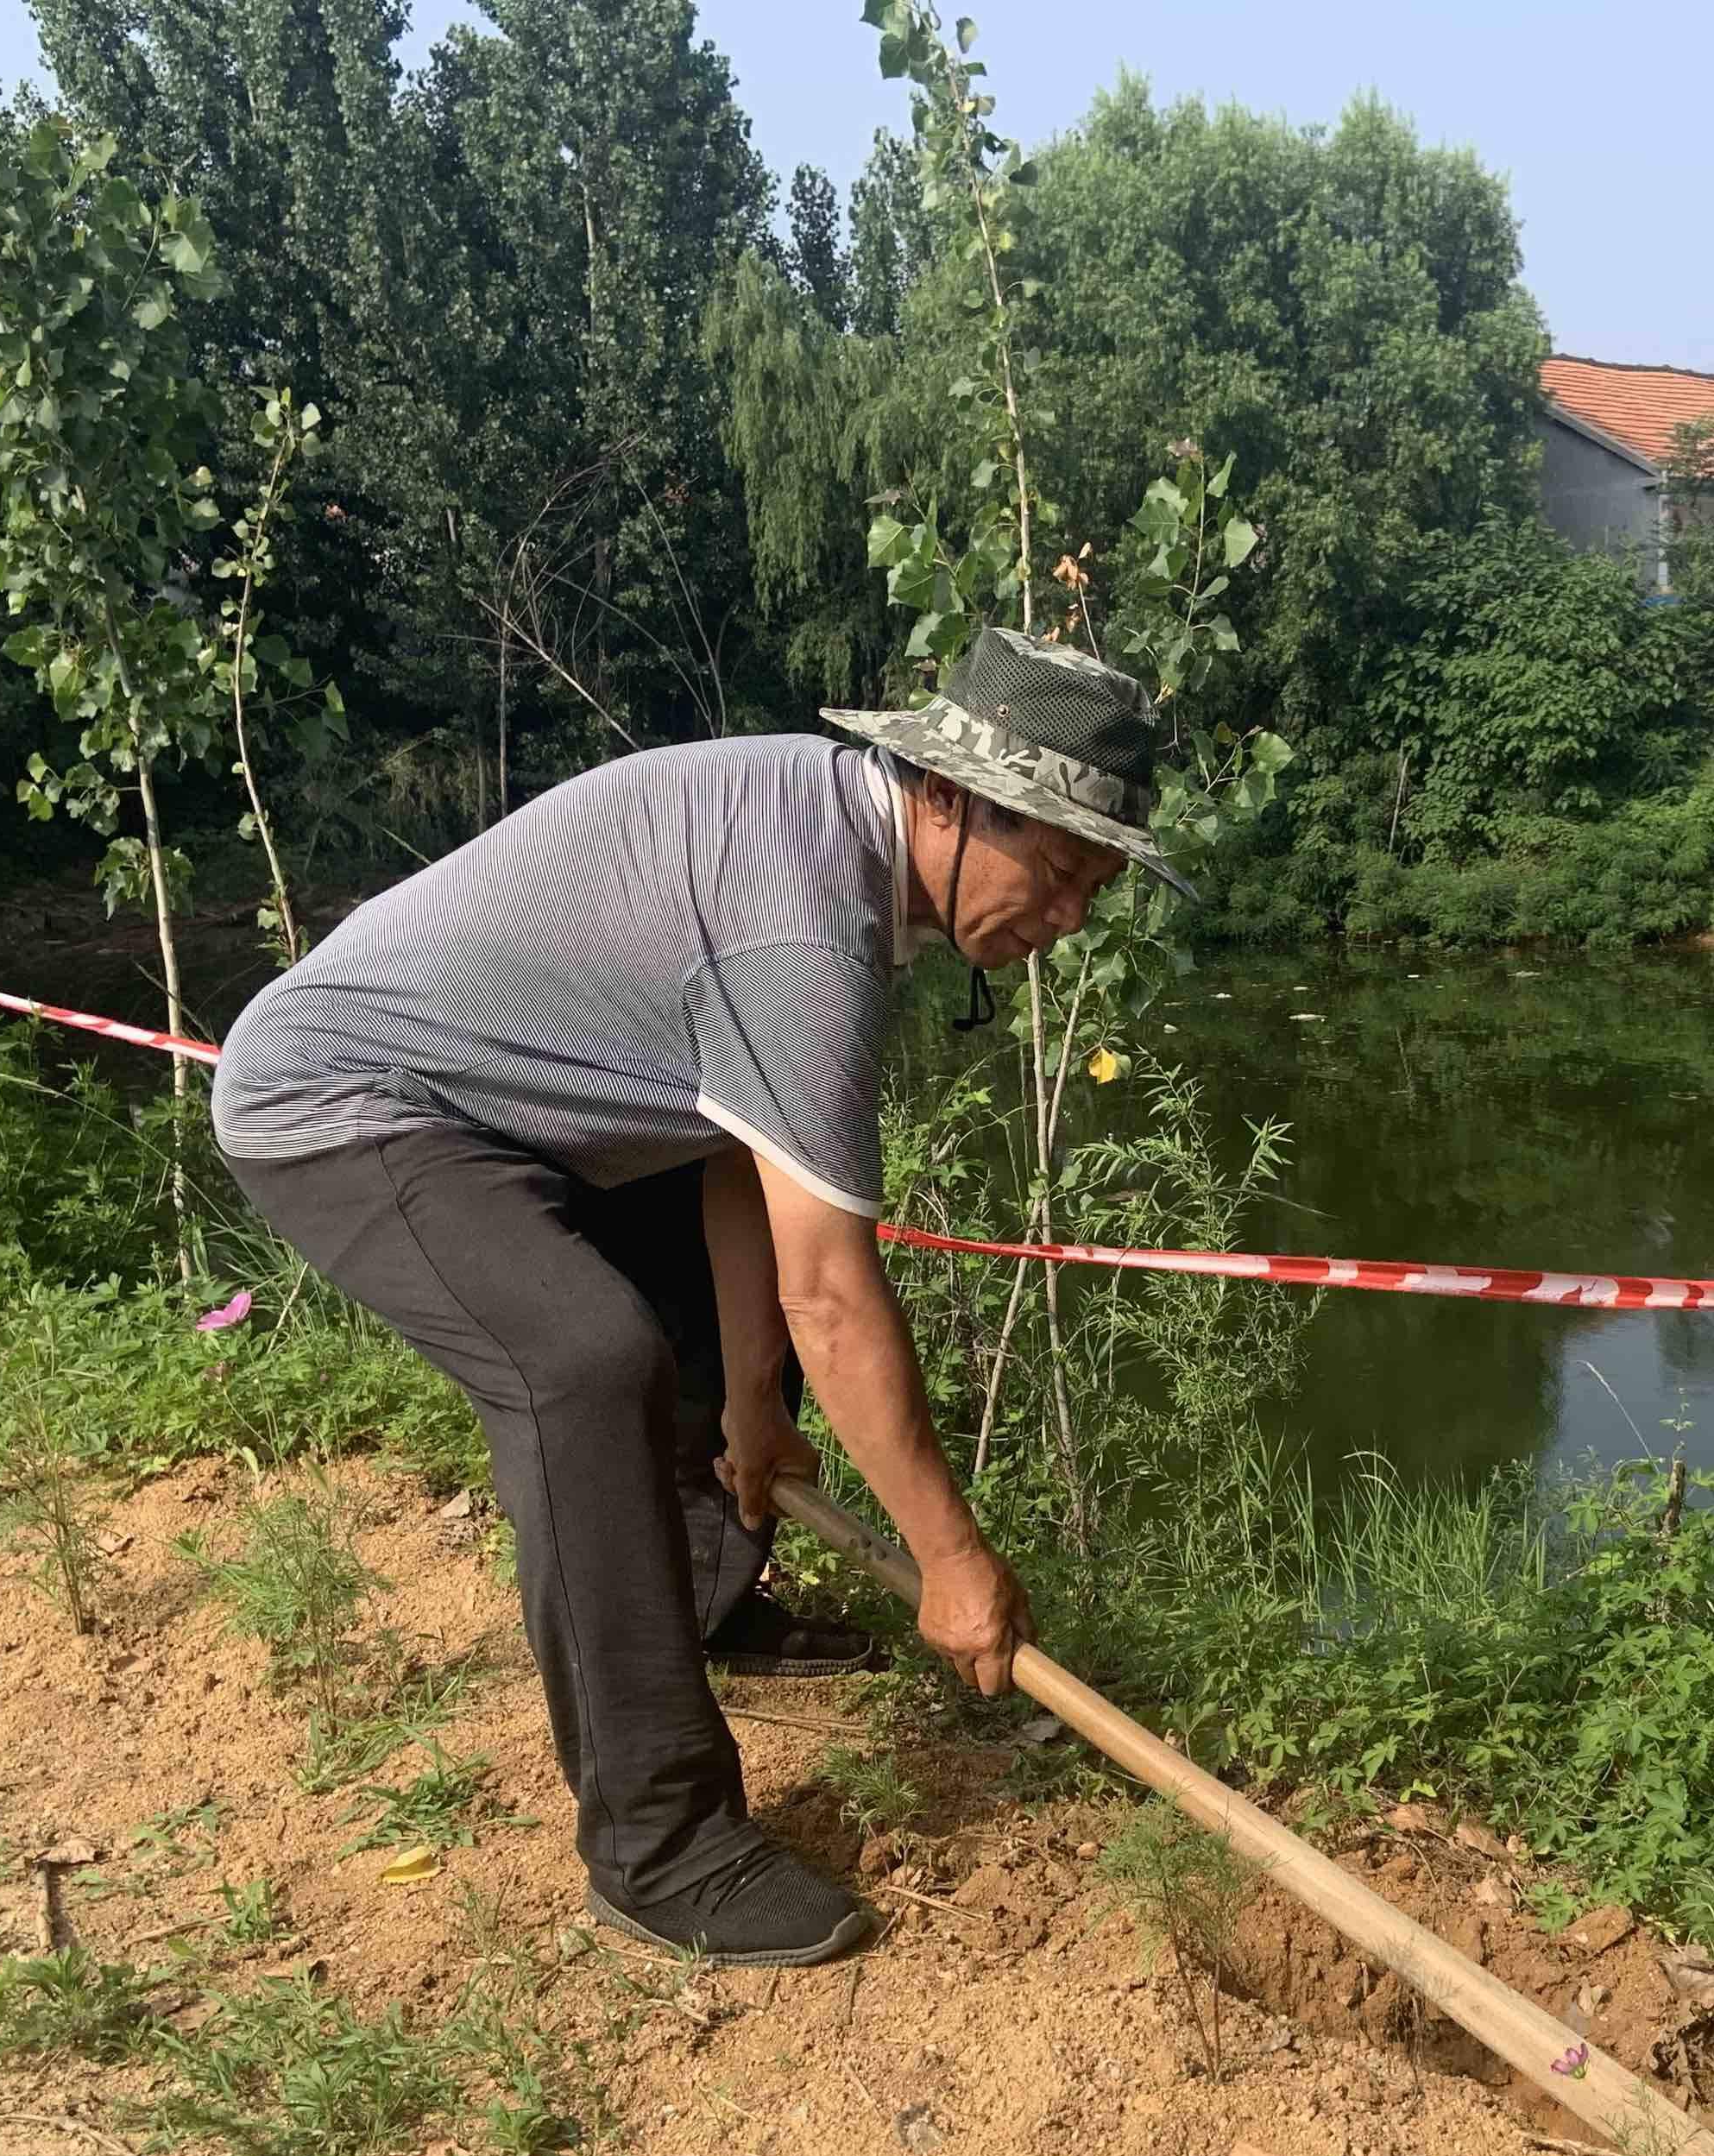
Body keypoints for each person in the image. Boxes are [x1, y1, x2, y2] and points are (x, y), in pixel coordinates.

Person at [208, 627, 1193, 1967]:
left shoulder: (835, 838)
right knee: (587, 1364)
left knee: (709, 1335)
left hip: (545, 1118)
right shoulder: (805, 918)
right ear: (950, 798)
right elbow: (835, 1298)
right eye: (1060, 870)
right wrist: (954, 1563)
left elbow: (737, 1150)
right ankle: (656, 1839)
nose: (1070, 915)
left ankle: (706, 1605)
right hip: (343, 1106)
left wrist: (747, 1401)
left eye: (1096, 888)